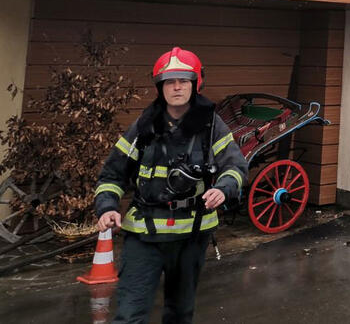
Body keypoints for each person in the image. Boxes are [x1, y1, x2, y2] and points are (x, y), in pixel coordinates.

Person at [94, 47, 248, 324]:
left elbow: (235, 167)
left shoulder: (212, 125)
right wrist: (107, 207)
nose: (177, 87)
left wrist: (223, 189)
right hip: (144, 236)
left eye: (183, 80)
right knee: (129, 315)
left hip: (191, 236)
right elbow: (112, 175)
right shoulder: (144, 125)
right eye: (169, 81)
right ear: (160, 86)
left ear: (195, 83)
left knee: (179, 314)